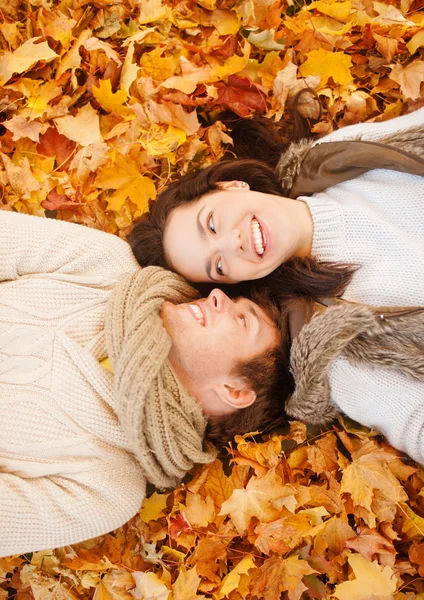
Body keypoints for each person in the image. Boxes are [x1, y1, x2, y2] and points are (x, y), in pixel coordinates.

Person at [129, 107, 424, 463]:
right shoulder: (342, 345)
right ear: (236, 282)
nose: (232, 241)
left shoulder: (332, 157)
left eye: (211, 224)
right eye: (219, 265)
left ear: (231, 186)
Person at [0, 210, 289, 558]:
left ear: (235, 391)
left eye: (242, 321)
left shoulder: (106, 489)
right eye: (232, 299)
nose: (218, 297)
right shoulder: (107, 267)